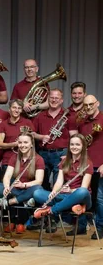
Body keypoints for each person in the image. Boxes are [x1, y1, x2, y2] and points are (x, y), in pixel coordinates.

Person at [33, 134, 93, 235]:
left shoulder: (87, 163)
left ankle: (52, 210)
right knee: (37, 193)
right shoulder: (64, 162)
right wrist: (54, 192)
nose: (74, 147)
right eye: (72, 144)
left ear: (83, 146)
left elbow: (84, 187)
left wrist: (70, 190)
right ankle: (73, 205)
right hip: (66, 196)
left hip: (82, 197)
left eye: (77, 144)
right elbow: (59, 182)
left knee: (82, 191)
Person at [0, 133, 44, 234]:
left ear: (32, 144)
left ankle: (17, 221)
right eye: (20, 142)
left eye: (25, 142)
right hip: (17, 191)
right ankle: (24, 202)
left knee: (38, 188)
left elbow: (39, 181)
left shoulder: (38, 159)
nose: (22, 145)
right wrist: (6, 187)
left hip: (29, 189)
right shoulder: (14, 157)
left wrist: (23, 185)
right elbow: (7, 177)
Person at [70, 94, 103, 239]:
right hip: (84, 165)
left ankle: (100, 228)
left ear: (98, 104)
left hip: (100, 165)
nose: (88, 107)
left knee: (100, 198)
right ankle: (81, 226)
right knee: (81, 195)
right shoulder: (81, 121)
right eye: (86, 105)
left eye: (91, 104)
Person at [33, 88, 70, 190]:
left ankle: (55, 205)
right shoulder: (40, 116)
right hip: (43, 153)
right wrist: (42, 137)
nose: (54, 100)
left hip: (61, 154)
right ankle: (43, 204)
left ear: (61, 100)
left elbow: (74, 136)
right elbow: (32, 133)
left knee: (59, 185)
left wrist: (68, 154)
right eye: (51, 98)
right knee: (42, 183)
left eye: (56, 98)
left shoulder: (68, 115)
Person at [0, 99, 35, 176]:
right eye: (14, 107)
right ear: (9, 109)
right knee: (6, 186)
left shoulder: (27, 122)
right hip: (8, 160)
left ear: (21, 110)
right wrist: (15, 144)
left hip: (25, 161)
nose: (16, 110)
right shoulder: (3, 124)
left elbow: (32, 141)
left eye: (19, 108)